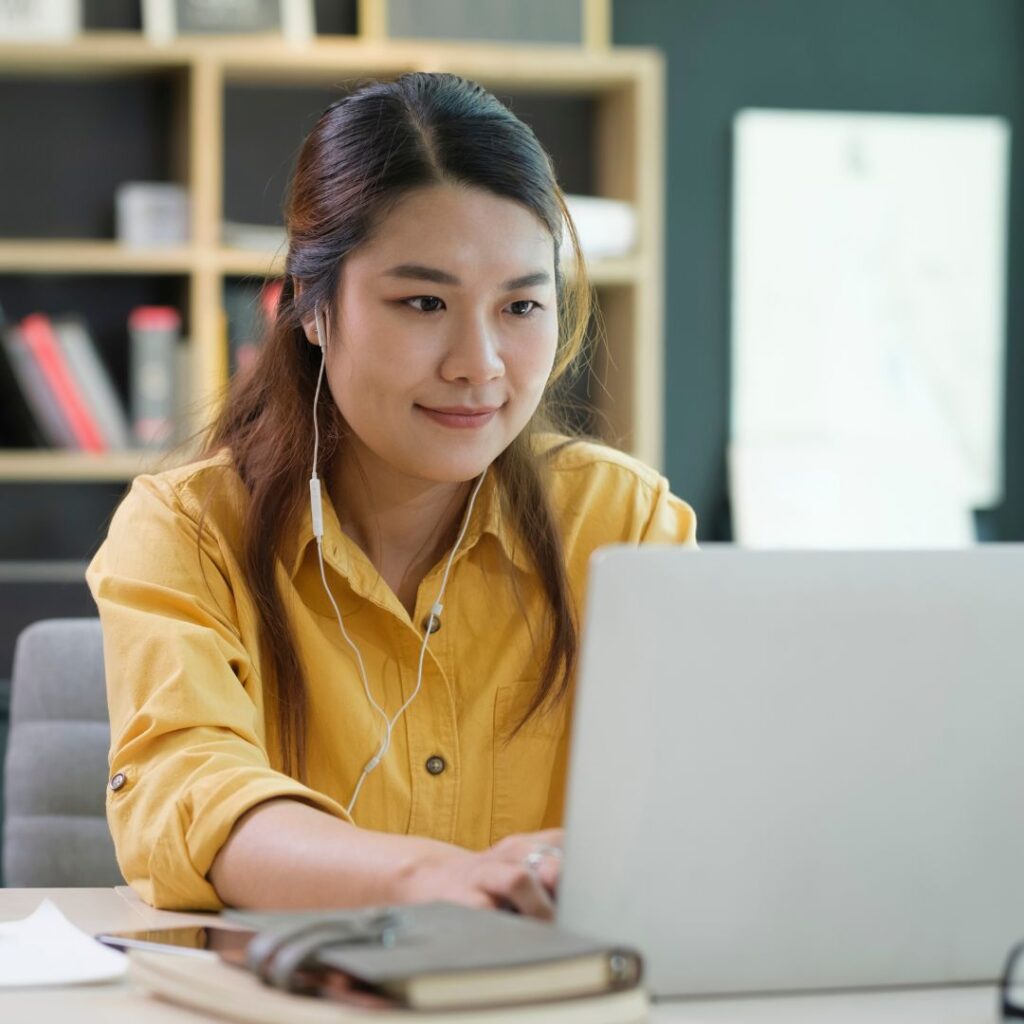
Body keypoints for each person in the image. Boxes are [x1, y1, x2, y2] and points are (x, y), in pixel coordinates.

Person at [86, 72, 697, 918]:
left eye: (521, 304)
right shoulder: (186, 530)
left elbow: (702, 795)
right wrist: (432, 878)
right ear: (309, 305)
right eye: (423, 301)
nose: (478, 364)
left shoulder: (623, 524)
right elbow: (186, 790)